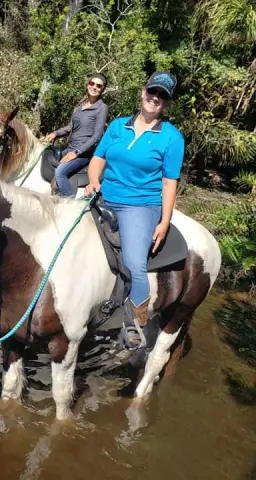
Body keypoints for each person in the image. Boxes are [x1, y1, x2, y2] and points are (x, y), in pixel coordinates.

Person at [84, 71, 184, 348]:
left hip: (139, 204)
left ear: (166, 103)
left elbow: (169, 181)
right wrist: (93, 181)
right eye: (153, 92)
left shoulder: (171, 137)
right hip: (105, 195)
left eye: (162, 96)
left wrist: (164, 221)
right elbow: (98, 159)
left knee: (135, 262)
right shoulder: (117, 127)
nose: (155, 98)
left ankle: (133, 322)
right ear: (143, 92)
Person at [44, 73, 109, 197]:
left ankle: (68, 202)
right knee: (46, 157)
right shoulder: (79, 107)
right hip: (69, 148)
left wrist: (76, 152)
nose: (94, 87)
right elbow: (70, 128)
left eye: (98, 86)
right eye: (92, 83)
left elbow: (97, 135)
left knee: (60, 172)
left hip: (84, 153)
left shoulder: (102, 108)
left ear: (102, 89)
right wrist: (55, 133)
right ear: (88, 85)